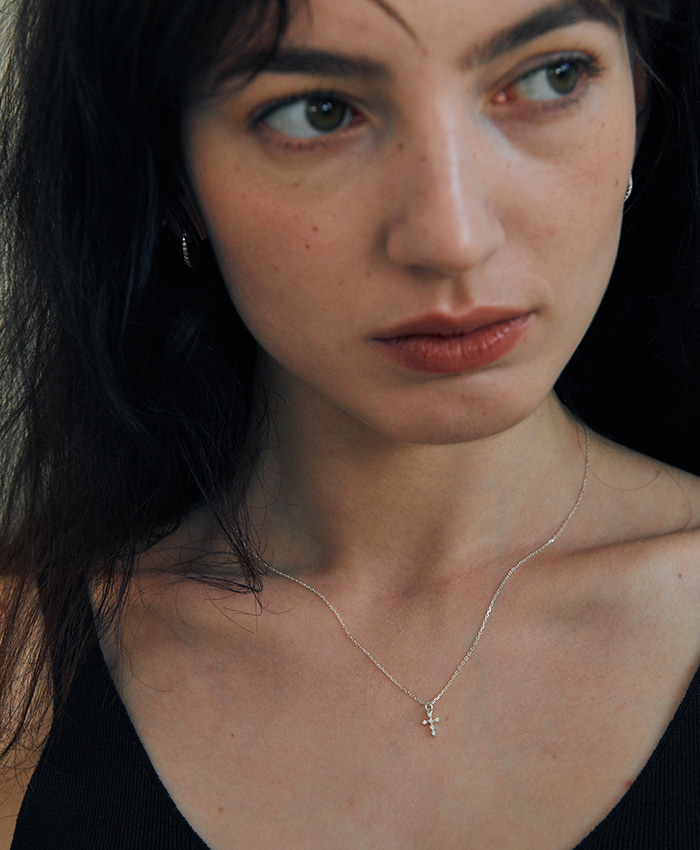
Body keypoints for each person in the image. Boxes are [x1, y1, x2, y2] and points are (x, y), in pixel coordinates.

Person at [1, 0, 700, 846]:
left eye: (552, 77)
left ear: (640, 100)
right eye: (319, 112)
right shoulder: (19, 672)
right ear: (174, 174)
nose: (453, 239)